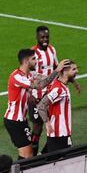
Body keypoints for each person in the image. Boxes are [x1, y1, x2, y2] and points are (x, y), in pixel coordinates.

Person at [4, 48, 70, 160]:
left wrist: (68, 78)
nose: (37, 61)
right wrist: (57, 70)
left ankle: (19, 172)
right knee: (27, 155)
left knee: (27, 154)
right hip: (14, 121)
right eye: (34, 59)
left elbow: (47, 79)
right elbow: (40, 85)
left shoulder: (30, 74)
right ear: (26, 62)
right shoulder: (16, 76)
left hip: (20, 121)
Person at [29, 26, 81, 156]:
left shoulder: (52, 50)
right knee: (37, 128)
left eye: (47, 37)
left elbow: (59, 68)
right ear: (37, 38)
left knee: (53, 125)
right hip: (36, 95)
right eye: (42, 37)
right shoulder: (32, 53)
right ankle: (32, 157)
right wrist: (29, 92)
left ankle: (45, 153)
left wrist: (74, 82)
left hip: (50, 93)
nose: (45, 39)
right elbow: (28, 75)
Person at [37, 60, 78, 153]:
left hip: (61, 134)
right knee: (61, 162)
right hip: (59, 136)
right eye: (74, 69)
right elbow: (41, 106)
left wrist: (75, 84)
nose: (77, 71)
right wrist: (47, 123)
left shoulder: (60, 83)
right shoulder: (58, 89)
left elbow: (69, 78)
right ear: (65, 72)